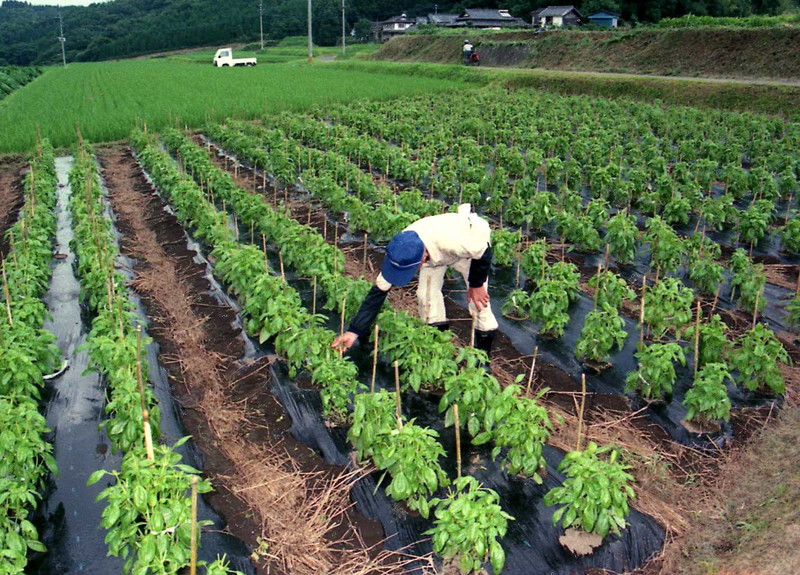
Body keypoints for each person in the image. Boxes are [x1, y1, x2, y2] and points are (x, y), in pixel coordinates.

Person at [331, 204, 498, 361]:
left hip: (472, 251)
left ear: (422, 258)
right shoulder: (401, 249)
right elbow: (377, 294)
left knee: (478, 303)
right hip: (435, 254)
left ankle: (482, 360)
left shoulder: (454, 242)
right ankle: (438, 346)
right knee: (425, 297)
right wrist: (354, 331)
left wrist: (476, 285)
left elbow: (483, 251)